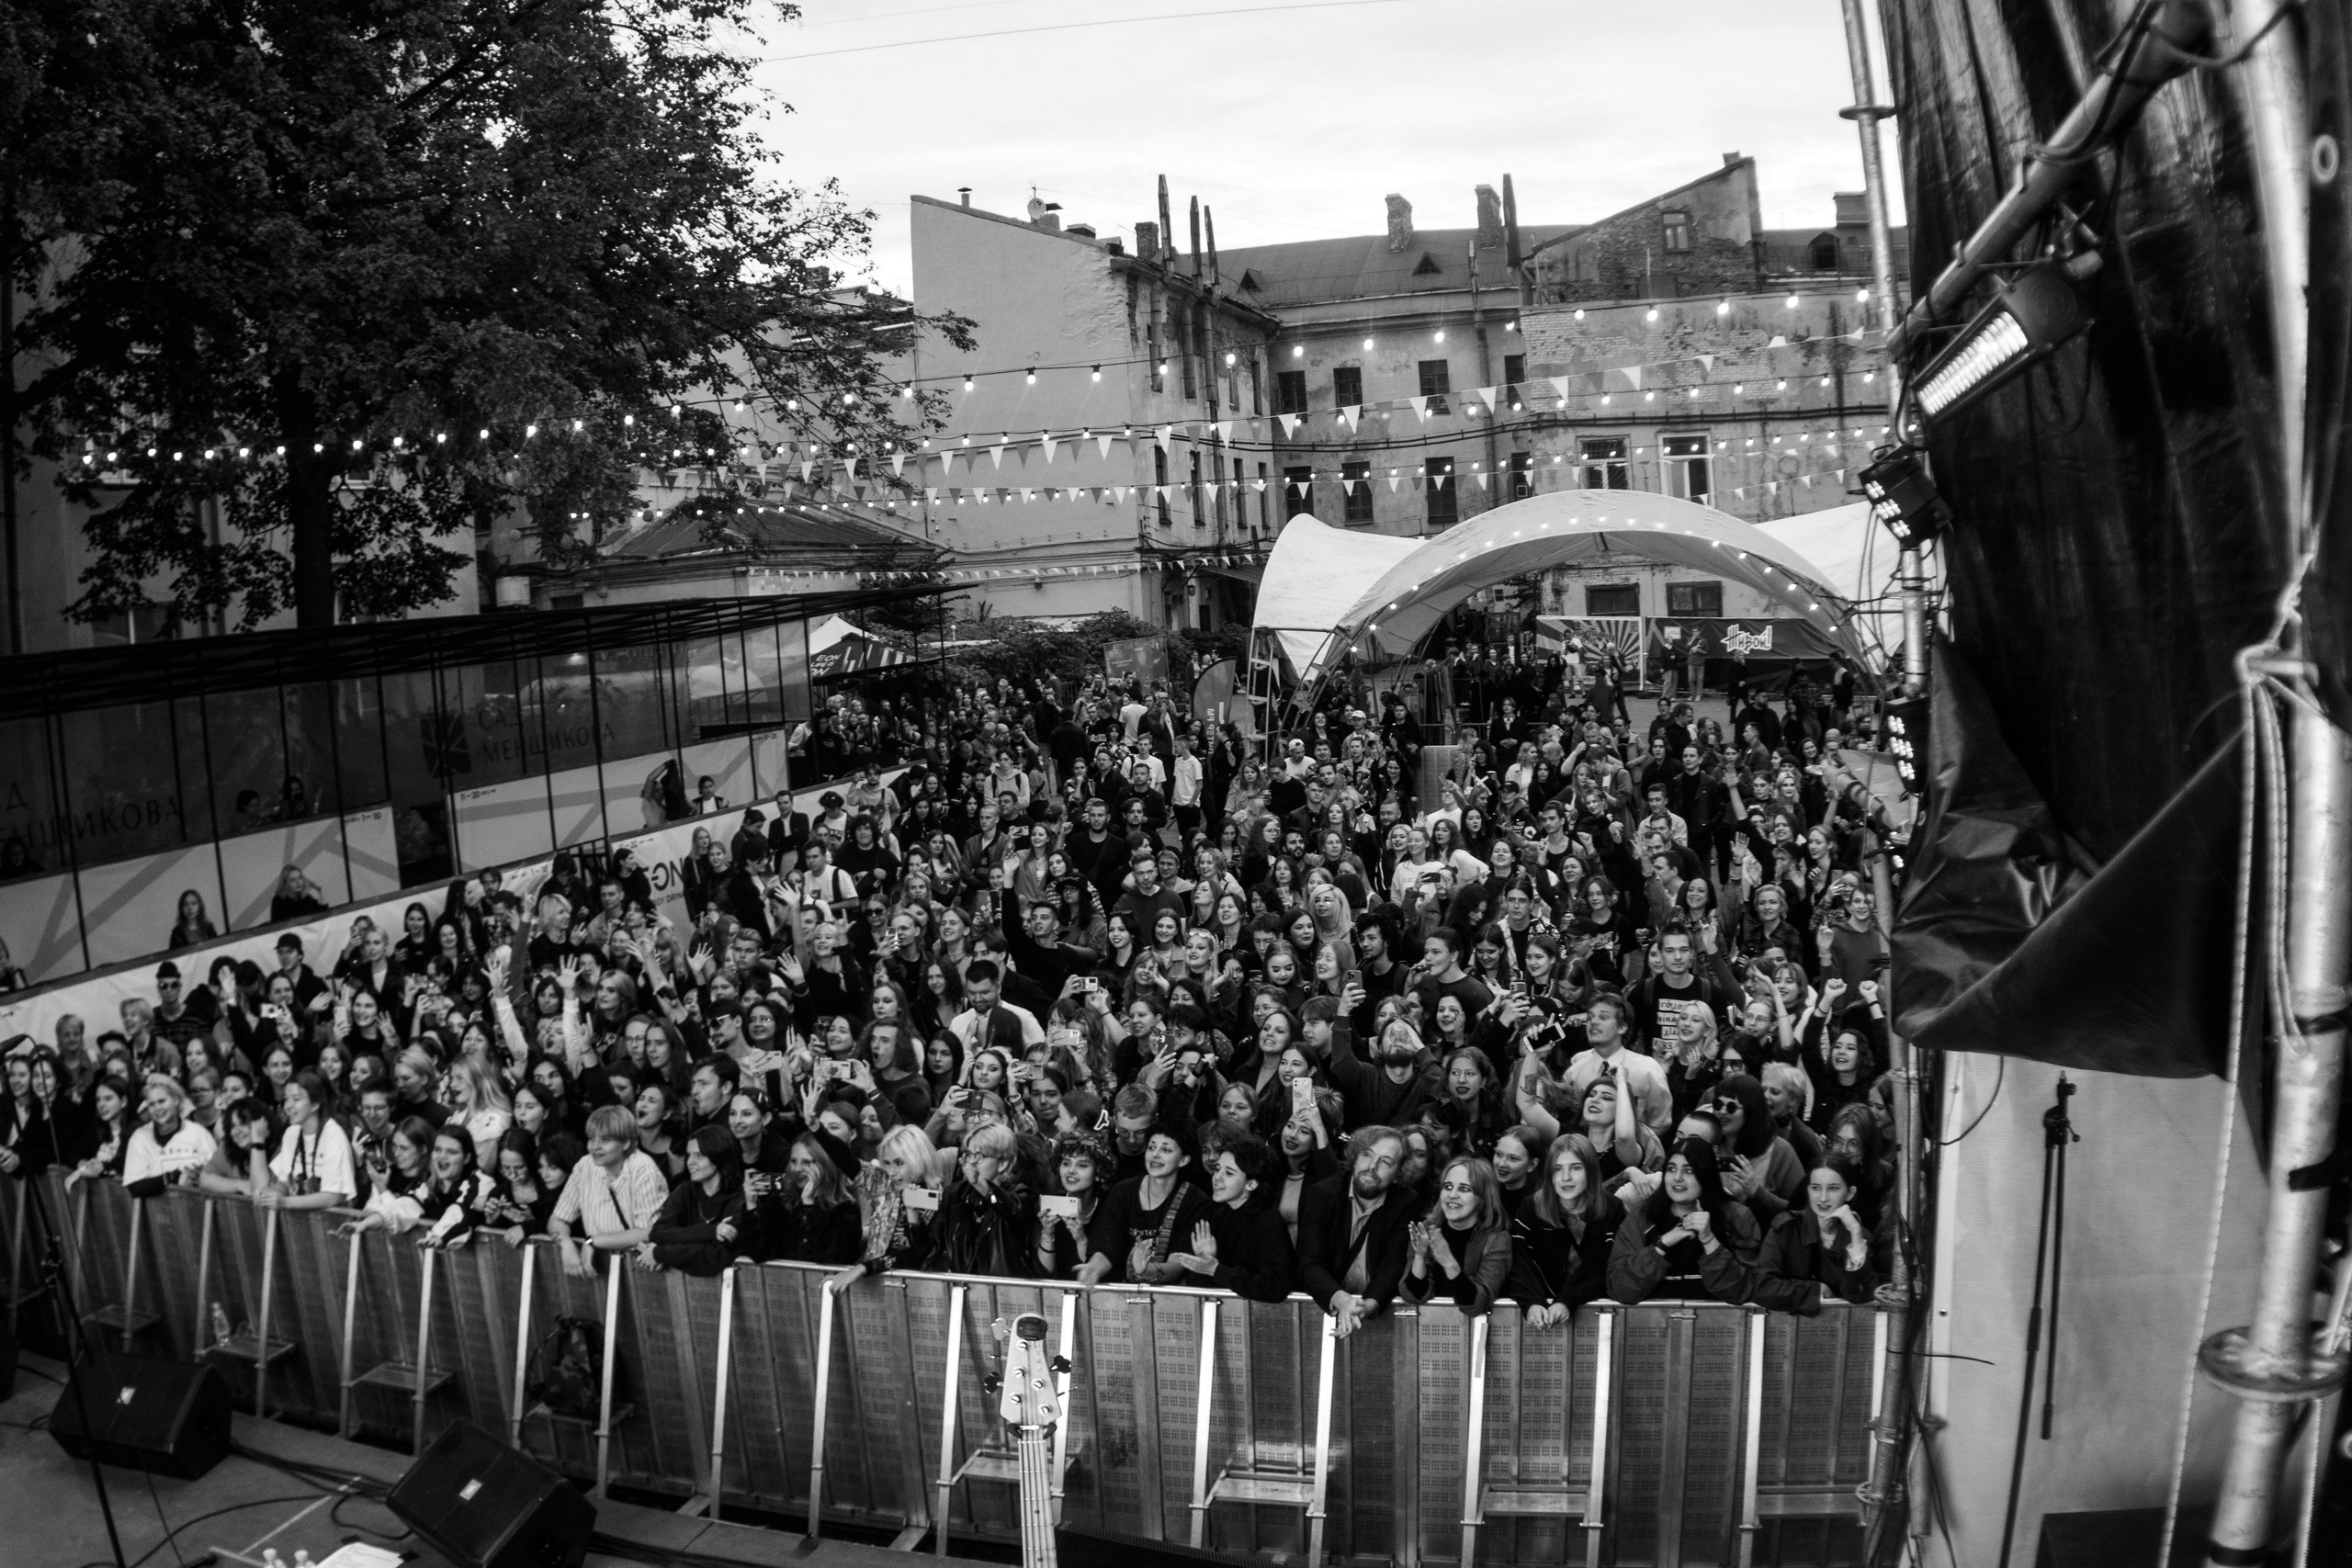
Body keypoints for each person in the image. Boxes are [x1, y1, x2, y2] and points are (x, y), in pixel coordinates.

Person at [1605, 1138, 1759, 1304]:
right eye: (1671, 1169)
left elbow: (1744, 1291)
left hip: (1719, 1325)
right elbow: (1620, 1289)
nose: (1677, 1178)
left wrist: (1709, 1241)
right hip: (1654, 1324)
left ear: (1706, 1175)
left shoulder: (1737, 1217)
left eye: (1689, 1171)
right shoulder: (1643, 1216)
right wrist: (1662, 1244)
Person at [1295, 1124, 1416, 1337]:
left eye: (1386, 1162)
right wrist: (1342, 1301)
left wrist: (1366, 1306)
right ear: (1355, 1158)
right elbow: (1309, 1263)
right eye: (1367, 1155)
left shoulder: (1405, 1202)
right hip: (1322, 1309)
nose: (1372, 1166)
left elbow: (1393, 1263)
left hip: (1377, 1318)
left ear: (1398, 1174)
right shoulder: (1323, 1194)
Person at [1509, 1134, 1626, 1326]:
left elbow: (1605, 1266)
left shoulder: (1612, 1209)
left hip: (1594, 1314)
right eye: (1557, 1169)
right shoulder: (1531, 1208)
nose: (1565, 1178)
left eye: (1576, 1168)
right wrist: (1531, 1303)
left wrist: (1566, 1301)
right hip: (1541, 1316)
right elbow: (1520, 1264)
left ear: (1591, 1171)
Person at [1167, 1134, 1295, 1302]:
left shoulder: (1269, 1221)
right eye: (1218, 1169)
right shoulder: (1220, 1215)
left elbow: (1274, 1287)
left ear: (1251, 1184)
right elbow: (1202, 1284)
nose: (1217, 1177)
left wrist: (1215, 1269)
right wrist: (1206, 1262)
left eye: (1229, 1173)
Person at [548, 1104, 672, 1278]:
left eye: (605, 1140)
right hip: (601, 1270)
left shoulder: (643, 1167)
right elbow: (558, 1219)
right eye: (591, 1138)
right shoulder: (585, 1165)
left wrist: (594, 1242)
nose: (595, 1147)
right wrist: (566, 1244)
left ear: (626, 1143)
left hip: (643, 1271)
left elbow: (648, 1231)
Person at [1751, 1160, 1882, 1314]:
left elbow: (1861, 1295)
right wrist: (1816, 1291)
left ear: (1849, 1193)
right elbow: (1762, 1288)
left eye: (1833, 1188)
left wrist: (1855, 1232)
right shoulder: (1787, 1229)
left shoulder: (1859, 1237)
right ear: (1808, 1190)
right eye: (1816, 1188)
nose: (1823, 1198)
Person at [1402, 1156, 1512, 1314]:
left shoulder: (1498, 1239)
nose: (1452, 1195)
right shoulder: (1427, 1229)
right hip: (1430, 1325)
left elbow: (1477, 1303)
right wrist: (1419, 1256)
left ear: (1482, 1198)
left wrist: (1448, 1262)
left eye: (1464, 1189)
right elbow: (1413, 1295)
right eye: (1448, 1186)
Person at [744, 1132, 864, 1265]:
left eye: (806, 1162)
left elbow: (836, 1258)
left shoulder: (846, 1208)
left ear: (825, 1165)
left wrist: (809, 1205)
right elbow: (760, 1253)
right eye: (794, 1161)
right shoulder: (782, 1201)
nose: (797, 1169)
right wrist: (751, 1205)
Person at [640, 1125, 746, 1275]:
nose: (690, 1162)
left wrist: (659, 1253)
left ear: (719, 1155)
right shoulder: (685, 1191)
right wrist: (711, 1231)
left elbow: (713, 1257)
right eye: (689, 1155)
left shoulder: (741, 1199)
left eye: (699, 1155)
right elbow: (658, 1233)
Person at [257, 1070, 357, 1212]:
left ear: (315, 1104)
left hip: (333, 1223)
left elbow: (334, 1196)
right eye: (286, 1099)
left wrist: (285, 1202)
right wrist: (272, 1193)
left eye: (296, 1099)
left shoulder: (333, 1135)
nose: (288, 1106)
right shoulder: (291, 1133)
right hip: (300, 1222)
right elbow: (284, 1182)